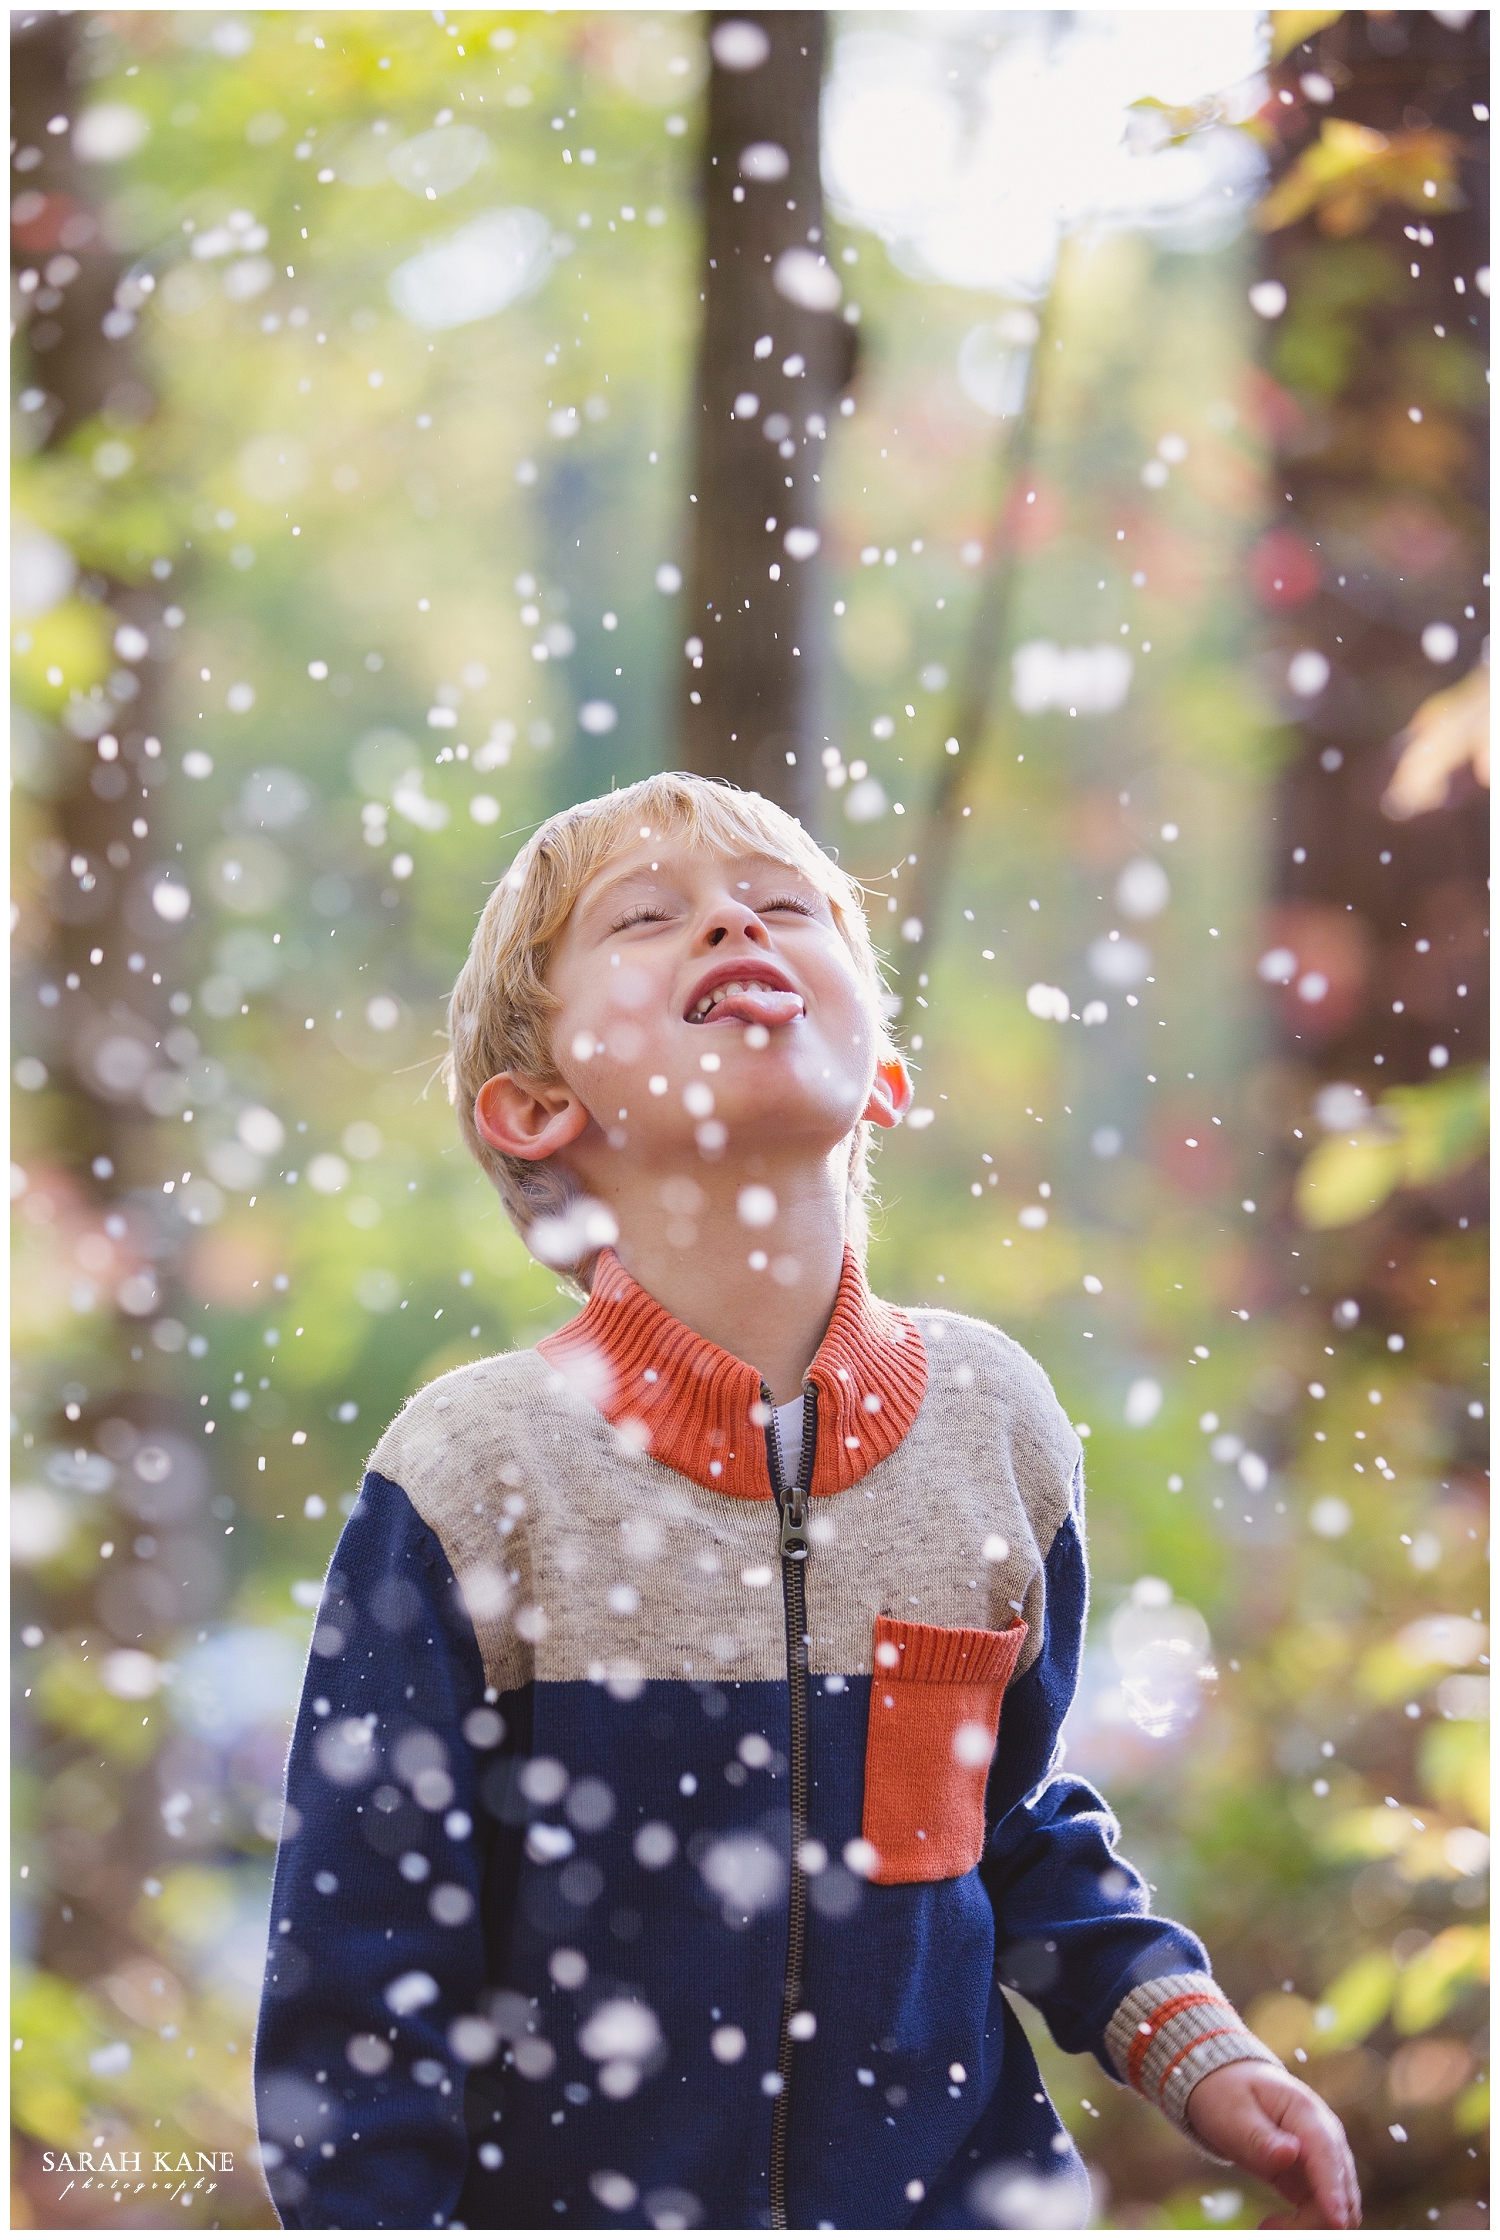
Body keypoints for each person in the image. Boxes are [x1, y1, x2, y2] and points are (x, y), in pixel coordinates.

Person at [254, 772, 1359, 2232]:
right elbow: (364, 1971)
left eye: (781, 908)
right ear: (537, 1108)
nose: (729, 923)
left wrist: (1192, 2046)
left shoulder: (996, 1430)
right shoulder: (475, 1474)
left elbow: (1010, 1826)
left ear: (883, 1075)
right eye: (650, 919)